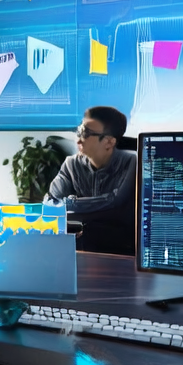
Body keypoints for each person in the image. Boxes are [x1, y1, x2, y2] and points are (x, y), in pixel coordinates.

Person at [45, 106, 137, 255]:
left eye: (86, 133)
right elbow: (51, 203)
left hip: (122, 250)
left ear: (109, 142)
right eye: (79, 131)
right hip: (82, 246)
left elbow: (114, 202)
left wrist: (70, 203)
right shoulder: (71, 164)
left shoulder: (132, 162)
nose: (79, 139)